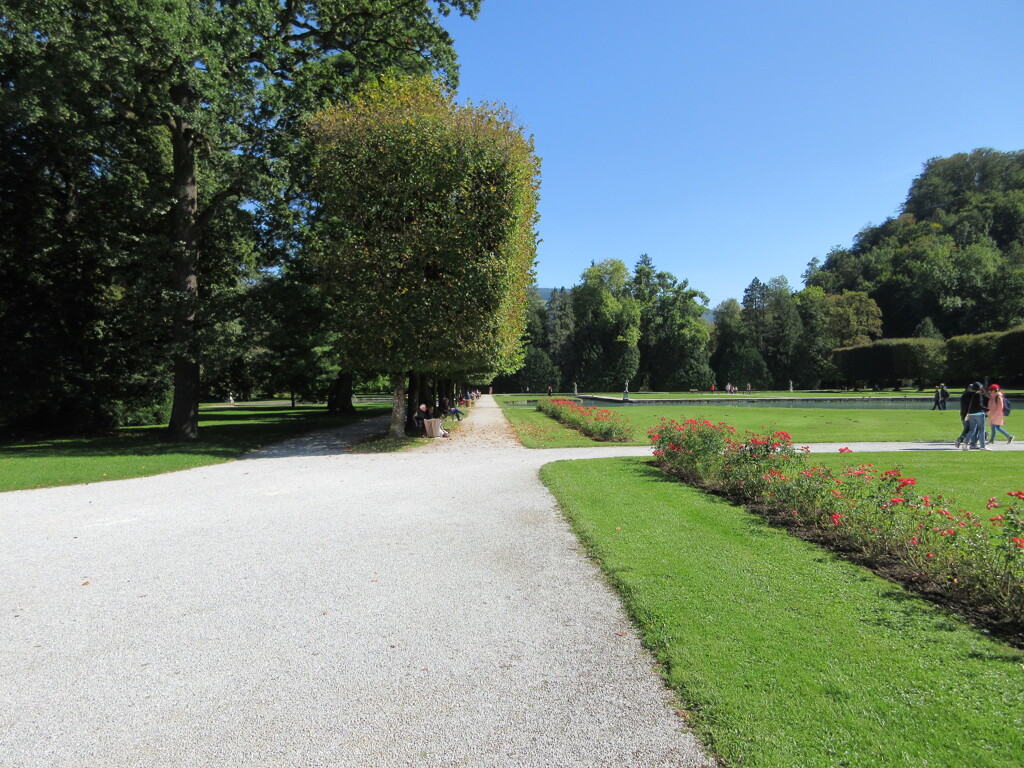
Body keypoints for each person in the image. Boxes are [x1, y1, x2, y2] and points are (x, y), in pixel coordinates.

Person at [957, 382, 989, 450]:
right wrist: (988, 409)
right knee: (980, 430)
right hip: (978, 414)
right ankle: (978, 445)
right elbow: (982, 404)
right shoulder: (979, 394)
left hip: (967, 414)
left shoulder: (964, 395)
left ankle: (964, 442)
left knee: (970, 430)